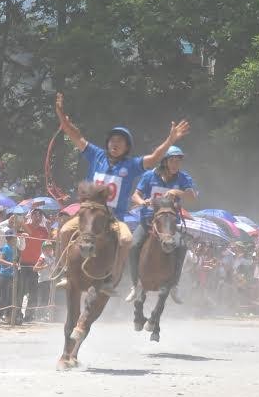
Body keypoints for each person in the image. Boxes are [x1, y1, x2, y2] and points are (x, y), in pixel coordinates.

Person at [54, 93, 190, 295]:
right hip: (90, 213)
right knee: (65, 231)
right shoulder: (96, 155)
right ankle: (65, 270)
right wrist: (62, 117)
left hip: (114, 218)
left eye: (120, 141)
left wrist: (170, 140)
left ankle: (112, 279)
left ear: (127, 147)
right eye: (112, 140)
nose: (114, 143)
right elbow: (76, 135)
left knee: (126, 240)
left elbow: (153, 159)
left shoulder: (132, 165)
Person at [126, 146, 197, 304]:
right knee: (133, 245)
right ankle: (134, 284)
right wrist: (142, 201)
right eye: (172, 160)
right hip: (148, 222)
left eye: (178, 161)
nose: (175, 164)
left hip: (170, 226)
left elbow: (192, 197)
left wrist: (177, 193)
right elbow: (135, 195)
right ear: (165, 161)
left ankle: (174, 285)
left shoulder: (183, 178)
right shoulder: (149, 176)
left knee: (182, 245)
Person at [0, 231, 17, 324]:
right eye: (14, 238)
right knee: (4, 296)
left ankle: (7, 315)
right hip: (4, 275)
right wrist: (11, 264)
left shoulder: (13, 248)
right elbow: (0, 260)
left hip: (11, 275)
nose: (16, 239)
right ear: (10, 239)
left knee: (9, 296)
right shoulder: (6, 248)